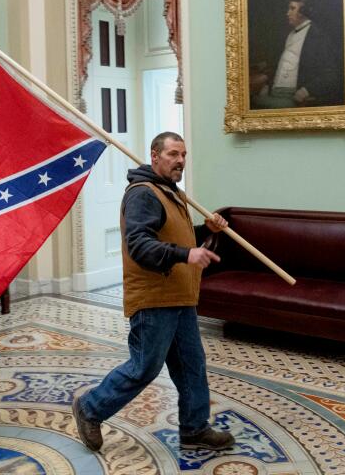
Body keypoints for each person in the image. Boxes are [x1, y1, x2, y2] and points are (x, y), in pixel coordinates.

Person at [73, 132, 235, 452]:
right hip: (154, 298)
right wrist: (186, 255)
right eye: (173, 154)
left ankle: (194, 428)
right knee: (144, 367)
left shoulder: (171, 192)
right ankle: (90, 409)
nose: (180, 161)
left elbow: (175, 237)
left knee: (191, 365)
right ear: (155, 156)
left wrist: (207, 230)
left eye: (183, 155)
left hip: (180, 296)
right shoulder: (143, 194)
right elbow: (141, 245)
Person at [250, 0, 344, 110]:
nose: (287, 13)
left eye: (292, 8)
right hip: (274, 92)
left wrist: (306, 90)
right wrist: (268, 85)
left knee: (254, 102)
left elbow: (331, 74)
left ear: (304, 11)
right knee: (253, 100)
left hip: (293, 97)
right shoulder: (290, 34)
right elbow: (282, 63)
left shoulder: (318, 36)